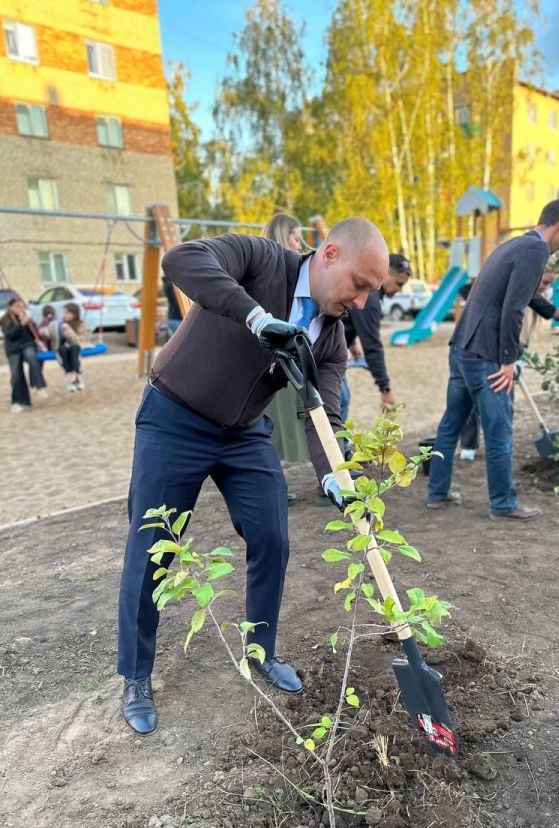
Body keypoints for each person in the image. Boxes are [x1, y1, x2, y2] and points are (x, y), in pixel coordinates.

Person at [117, 217, 389, 734]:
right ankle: (135, 675)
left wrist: (336, 479)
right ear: (330, 254)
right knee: (153, 546)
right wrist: (257, 317)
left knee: (272, 535)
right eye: (360, 285)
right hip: (174, 417)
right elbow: (181, 261)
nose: (361, 302)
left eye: (371, 292)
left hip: (243, 434)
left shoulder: (328, 339)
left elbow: (323, 417)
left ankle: (260, 650)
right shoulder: (259, 259)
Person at [427, 198, 559, 520]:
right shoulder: (536, 251)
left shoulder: (515, 245)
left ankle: (437, 492)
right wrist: (509, 360)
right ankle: (503, 503)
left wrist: (558, 313)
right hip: (486, 354)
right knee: (499, 431)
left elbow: (525, 296)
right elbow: (513, 308)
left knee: (450, 424)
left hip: (462, 346)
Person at [458, 267, 559, 461]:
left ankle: (500, 447)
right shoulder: (513, 292)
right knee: (475, 400)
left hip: (510, 356)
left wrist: (520, 359)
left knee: (505, 403)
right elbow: (506, 328)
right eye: (545, 282)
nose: (546, 288)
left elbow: (523, 337)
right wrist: (511, 359)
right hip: (488, 352)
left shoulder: (534, 301)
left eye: (550, 283)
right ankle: (469, 444)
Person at [262, 213, 307, 505]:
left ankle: (273, 484)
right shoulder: (274, 275)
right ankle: (272, 486)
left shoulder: (286, 273)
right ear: (282, 236)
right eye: (295, 237)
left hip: (282, 355)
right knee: (270, 425)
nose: (299, 243)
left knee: (273, 425)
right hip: (271, 358)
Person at [340, 252, 409, 423]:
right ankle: (333, 448)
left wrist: (352, 343)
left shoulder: (364, 288)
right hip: (323, 352)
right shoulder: (370, 298)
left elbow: (345, 318)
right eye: (399, 283)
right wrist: (385, 389)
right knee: (341, 401)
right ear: (386, 274)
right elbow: (372, 346)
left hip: (330, 348)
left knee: (342, 399)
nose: (400, 290)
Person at [1, 296, 48, 413]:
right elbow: (11, 335)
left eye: (22, 307)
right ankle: (18, 402)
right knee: (16, 374)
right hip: (13, 349)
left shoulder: (27, 319)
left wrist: (30, 325)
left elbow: (34, 335)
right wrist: (21, 325)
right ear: (10, 307)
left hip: (27, 345)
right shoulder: (5, 320)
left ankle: (39, 386)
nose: (20, 309)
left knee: (33, 359)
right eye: (17, 307)